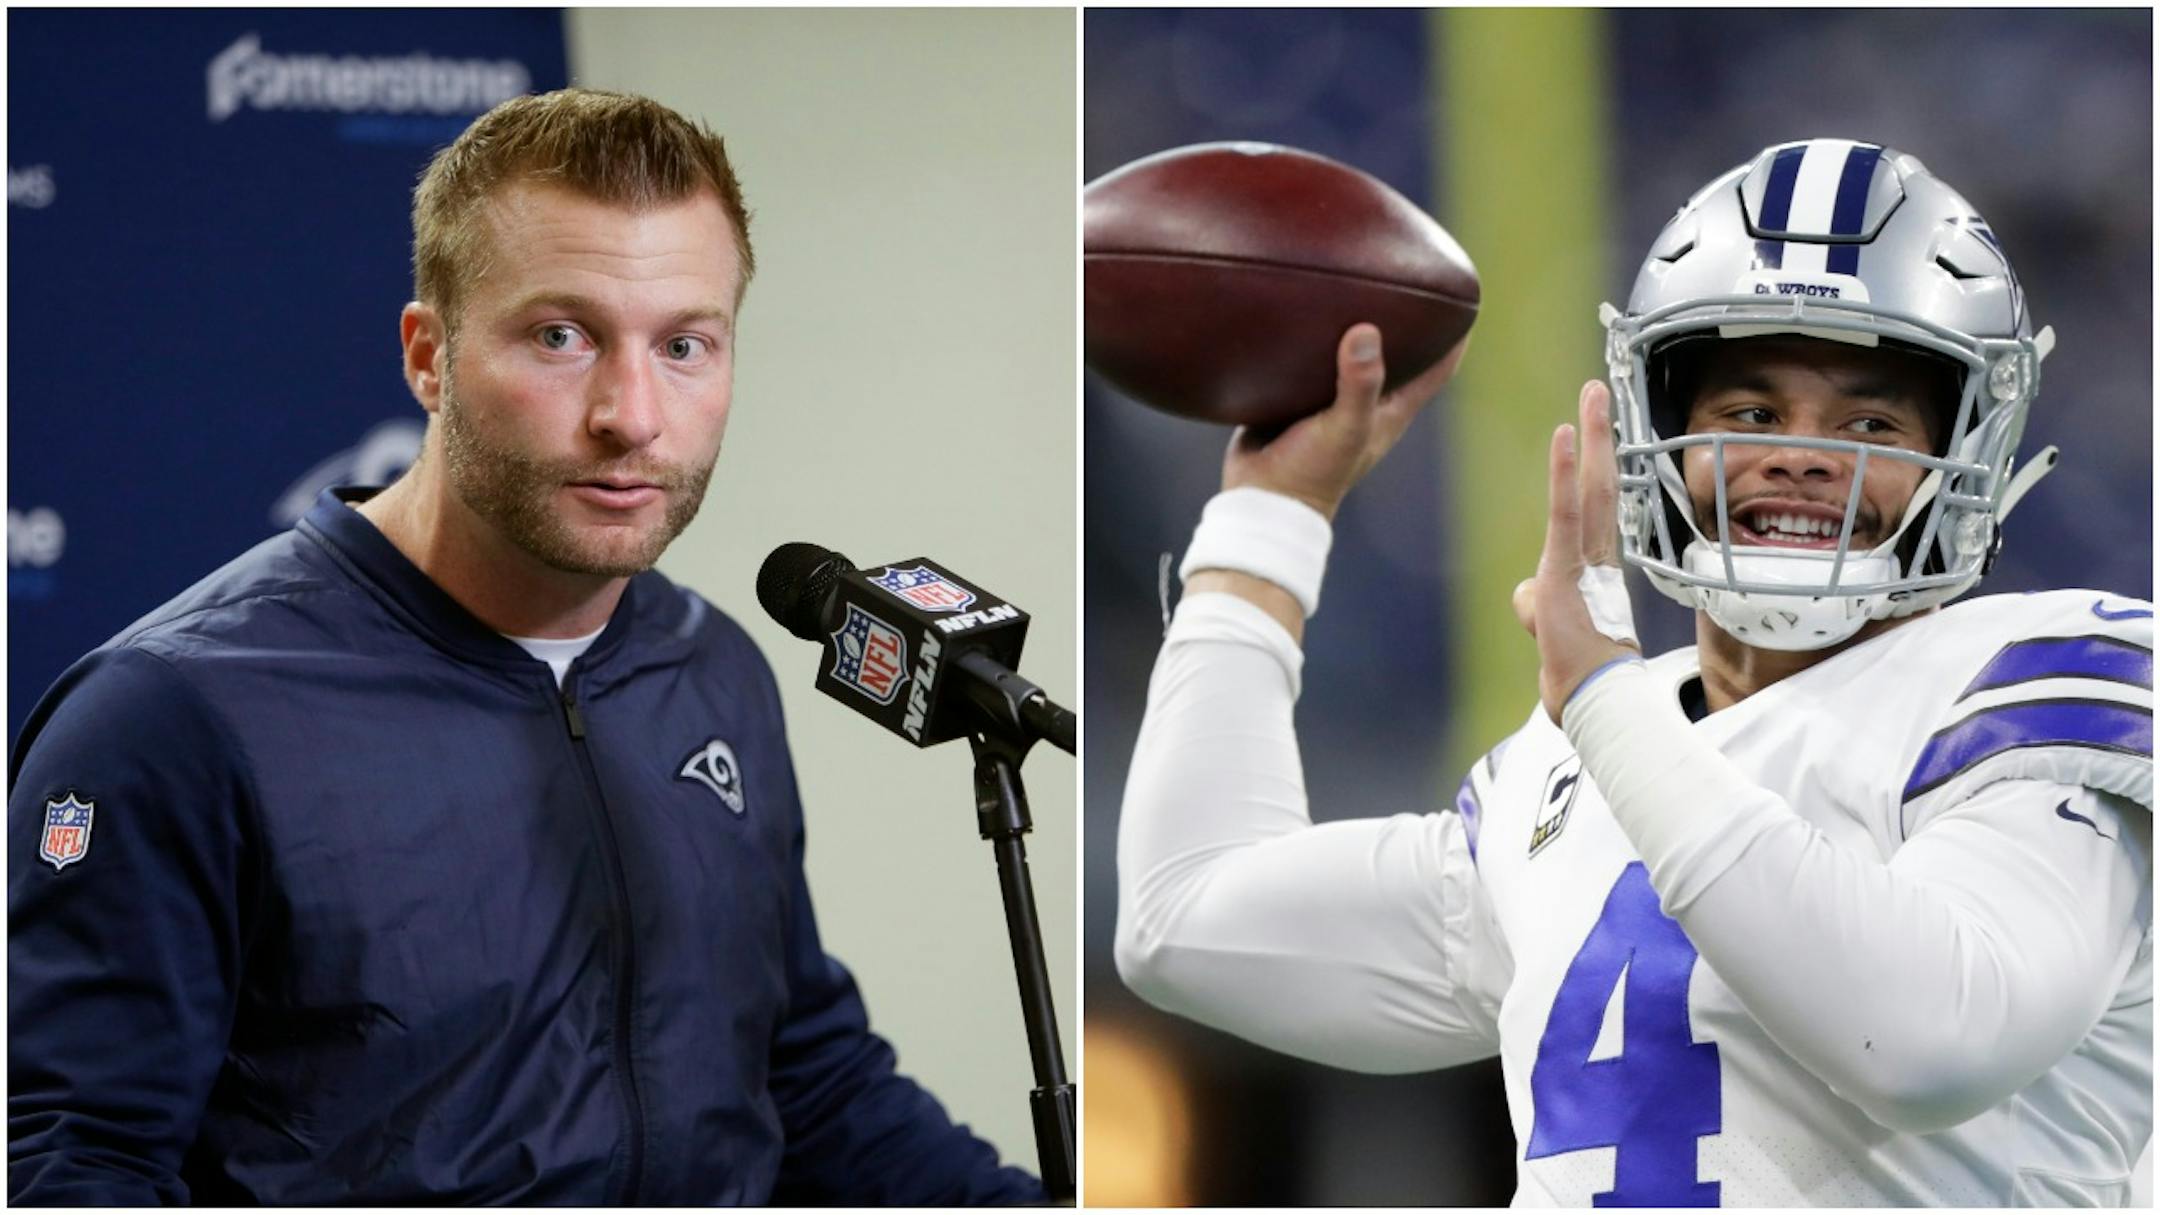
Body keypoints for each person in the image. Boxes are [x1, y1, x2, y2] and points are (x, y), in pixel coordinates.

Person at [9, 88, 1041, 1206]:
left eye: (686, 345)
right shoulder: (171, 717)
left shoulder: (714, 670)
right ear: (428, 357)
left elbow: (809, 1081)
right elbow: (74, 1162)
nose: (632, 414)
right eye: (563, 336)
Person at [1115, 138, 2151, 1205]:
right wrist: (1269, 518)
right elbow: (1185, 923)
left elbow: (1934, 1042)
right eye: (1752, 414)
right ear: (1659, 425)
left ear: (1971, 450)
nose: (1802, 453)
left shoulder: (2037, 680)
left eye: (1869, 422)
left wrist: (1606, 704)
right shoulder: (1562, 772)